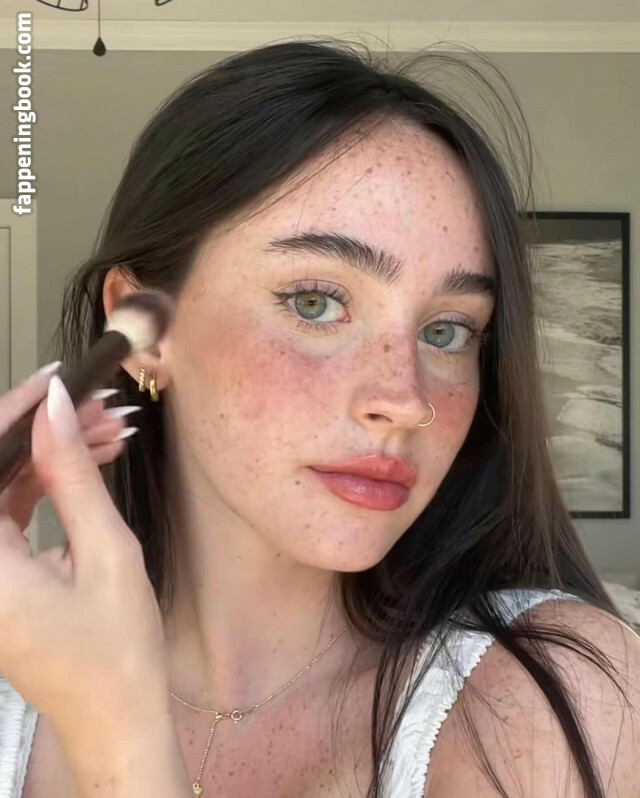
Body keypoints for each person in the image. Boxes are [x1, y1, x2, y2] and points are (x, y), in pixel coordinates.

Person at [1, 38, 638, 798]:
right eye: (315, 302)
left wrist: (116, 733)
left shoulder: (560, 701)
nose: (406, 400)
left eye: (446, 331)